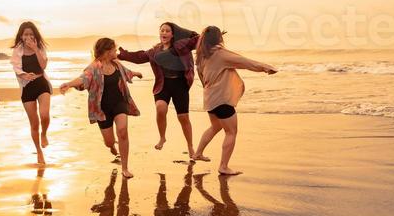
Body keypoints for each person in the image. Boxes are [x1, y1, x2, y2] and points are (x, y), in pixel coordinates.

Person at [194, 26, 277, 176]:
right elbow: (245, 62)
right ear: (219, 38)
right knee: (231, 132)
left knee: (215, 127)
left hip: (210, 98)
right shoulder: (220, 54)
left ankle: (198, 153)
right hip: (222, 99)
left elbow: (201, 76)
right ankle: (223, 166)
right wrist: (266, 67)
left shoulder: (201, 56)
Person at [60, 38, 142, 179]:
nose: (116, 52)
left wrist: (135, 73)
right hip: (102, 109)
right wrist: (69, 84)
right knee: (109, 141)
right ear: (106, 51)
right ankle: (112, 147)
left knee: (122, 131)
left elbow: (126, 72)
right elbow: (83, 79)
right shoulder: (94, 67)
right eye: (114, 49)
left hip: (119, 103)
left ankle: (125, 168)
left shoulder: (116, 64)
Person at [118, 22, 199, 157]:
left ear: (173, 34)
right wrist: (121, 56)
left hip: (180, 85)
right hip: (163, 84)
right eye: (162, 31)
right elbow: (139, 57)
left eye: (168, 31)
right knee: (160, 108)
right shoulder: (155, 51)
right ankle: (162, 137)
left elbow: (197, 40)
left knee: (183, 117)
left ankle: (190, 147)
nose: (164, 33)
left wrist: (210, 34)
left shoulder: (181, 46)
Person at [11, 21, 53, 166]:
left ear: (34, 35)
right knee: (34, 123)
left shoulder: (40, 47)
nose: (28, 36)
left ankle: (44, 134)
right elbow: (16, 67)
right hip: (27, 88)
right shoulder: (18, 50)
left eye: (30, 34)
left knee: (45, 115)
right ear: (21, 36)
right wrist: (23, 75)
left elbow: (44, 65)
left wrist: (35, 49)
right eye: (25, 34)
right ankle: (39, 152)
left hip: (41, 84)